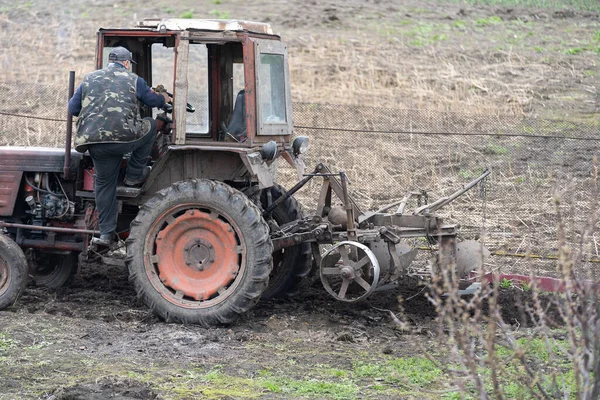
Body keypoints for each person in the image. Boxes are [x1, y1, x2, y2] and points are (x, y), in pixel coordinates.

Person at [68, 46, 171, 246]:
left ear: (110, 61)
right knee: (150, 124)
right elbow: (152, 100)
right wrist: (164, 97)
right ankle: (134, 175)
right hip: (124, 140)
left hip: (95, 143)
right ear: (126, 63)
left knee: (104, 185)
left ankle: (105, 234)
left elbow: (73, 108)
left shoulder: (89, 78)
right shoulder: (134, 79)